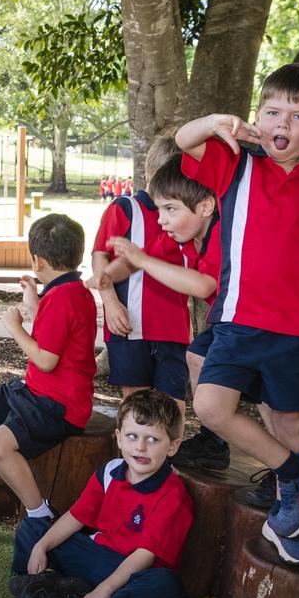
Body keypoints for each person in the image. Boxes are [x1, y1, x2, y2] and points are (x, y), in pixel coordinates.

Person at [174, 63, 299, 566]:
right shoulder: (237, 165)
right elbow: (184, 140)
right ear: (257, 119)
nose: (282, 124)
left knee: (292, 422)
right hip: (238, 320)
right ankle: (298, 473)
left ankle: (295, 525)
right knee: (210, 407)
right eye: (272, 112)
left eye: (298, 115)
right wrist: (217, 123)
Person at [0, 213, 97, 539]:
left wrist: (15, 327)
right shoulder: (71, 291)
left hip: (58, 404)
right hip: (35, 392)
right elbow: (56, 339)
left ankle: (41, 517)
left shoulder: (64, 298)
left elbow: (45, 359)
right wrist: (36, 305)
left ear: (37, 260)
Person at [96, 155, 233, 472]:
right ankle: (197, 446)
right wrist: (107, 281)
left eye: (170, 210)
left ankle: (207, 444)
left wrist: (139, 261)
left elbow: (201, 285)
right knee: (196, 358)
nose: (161, 220)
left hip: (254, 320)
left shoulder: (218, 234)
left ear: (204, 207)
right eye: (160, 210)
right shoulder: (179, 235)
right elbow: (133, 259)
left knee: (198, 379)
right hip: (218, 321)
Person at [9, 389, 191, 598]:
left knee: (167, 585)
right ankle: (48, 581)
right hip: (93, 555)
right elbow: (75, 517)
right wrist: (41, 546)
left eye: (153, 439)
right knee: (33, 529)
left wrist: (104, 590)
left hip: (129, 570)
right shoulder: (110, 471)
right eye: (132, 436)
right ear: (118, 436)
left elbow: (144, 556)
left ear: (173, 446)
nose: (140, 447)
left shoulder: (172, 494)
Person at [89, 139, 190, 411]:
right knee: (135, 402)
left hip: (173, 326)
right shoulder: (125, 208)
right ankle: (134, 452)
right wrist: (109, 301)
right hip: (129, 323)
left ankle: (170, 452)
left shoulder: (188, 216)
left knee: (173, 402)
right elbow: (100, 254)